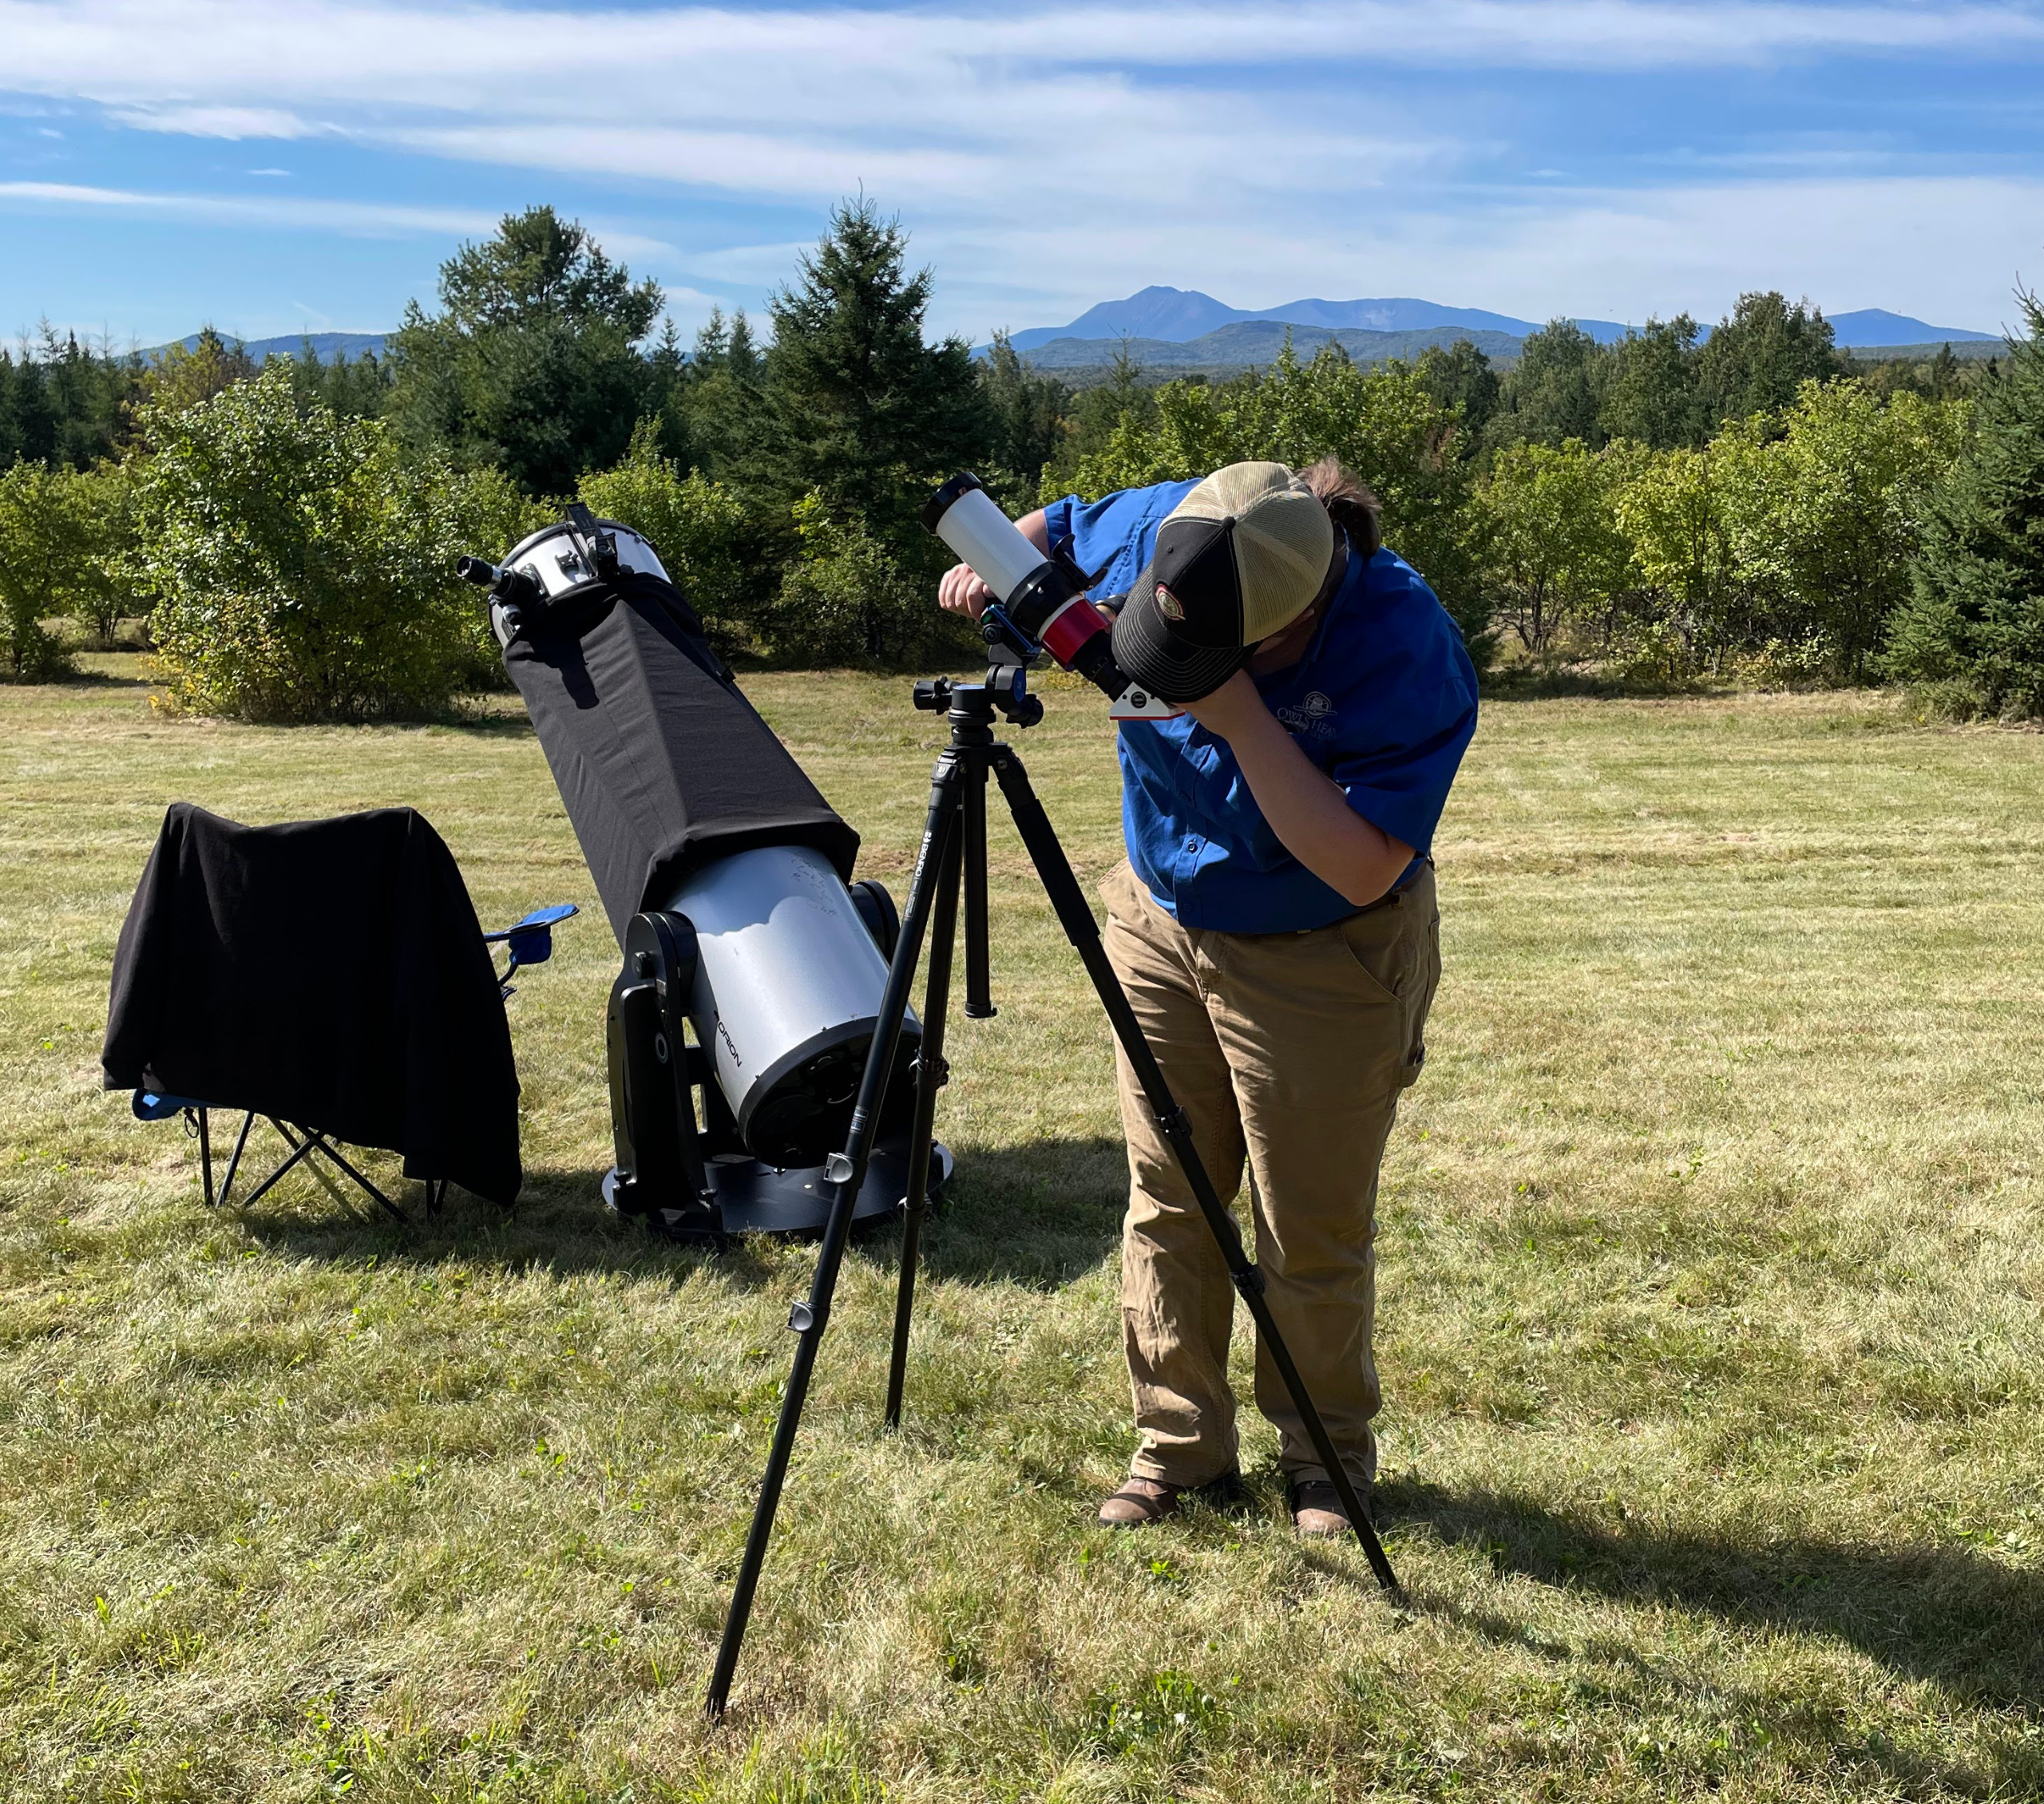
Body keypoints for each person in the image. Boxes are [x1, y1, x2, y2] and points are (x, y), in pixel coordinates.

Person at [937, 459, 1477, 1535]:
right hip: (1160, 918)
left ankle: (1326, 1458)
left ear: (1294, 624)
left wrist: (1234, 716)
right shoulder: (1184, 525)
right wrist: (985, 566)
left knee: (1305, 1222)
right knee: (1169, 1193)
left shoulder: (1402, 644)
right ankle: (1179, 1449)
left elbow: (1364, 865)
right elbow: (1039, 528)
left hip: (1322, 949)